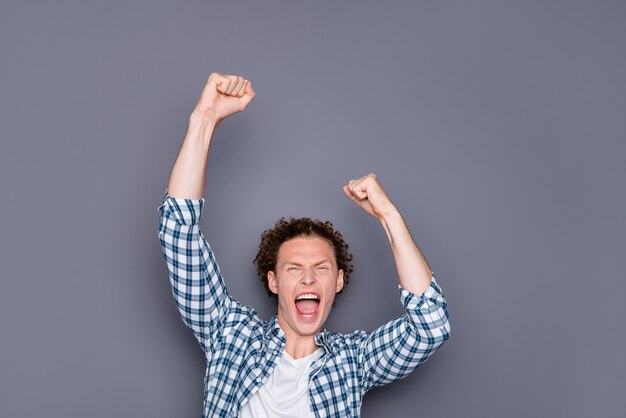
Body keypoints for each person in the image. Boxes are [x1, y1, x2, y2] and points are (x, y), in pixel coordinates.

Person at [157, 72, 451, 418]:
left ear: (338, 281)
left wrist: (388, 216)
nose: (308, 279)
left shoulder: (352, 362)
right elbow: (178, 230)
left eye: (321, 268)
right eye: (294, 268)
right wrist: (204, 119)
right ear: (273, 281)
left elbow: (431, 326)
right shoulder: (230, 335)